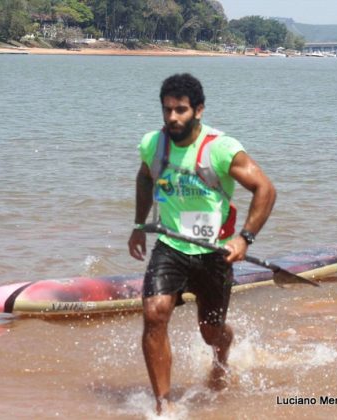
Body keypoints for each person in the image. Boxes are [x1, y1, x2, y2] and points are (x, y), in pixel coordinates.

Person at [127, 73, 276, 414]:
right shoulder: (154, 144)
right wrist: (139, 225)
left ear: (199, 110)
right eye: (166, 110)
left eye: (180, 110)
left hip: (215, 253)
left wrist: (245, 239)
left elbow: (265, 190)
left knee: (210, 331)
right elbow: (144, 177)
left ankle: (222, 354)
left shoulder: (221, 148)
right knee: (154, 314)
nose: (172, 118)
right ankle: (164, 404)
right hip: (170, 246)